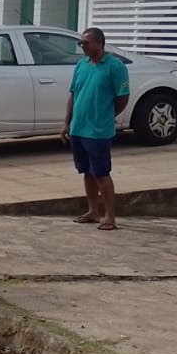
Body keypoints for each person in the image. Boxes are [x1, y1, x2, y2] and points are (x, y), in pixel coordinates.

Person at [59, 27, 130, 230]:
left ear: (99, 43)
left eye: (86, 42)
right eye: (81, 43)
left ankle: (110, 215)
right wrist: (67, 122)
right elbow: (73, 94)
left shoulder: (115, 67)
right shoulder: (81, 65)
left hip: (98, 130)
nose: (83, 46)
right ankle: (92, 210)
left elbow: (122, 97)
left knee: (101, 172)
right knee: (87, 172)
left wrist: (107, 115)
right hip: (78, 128)